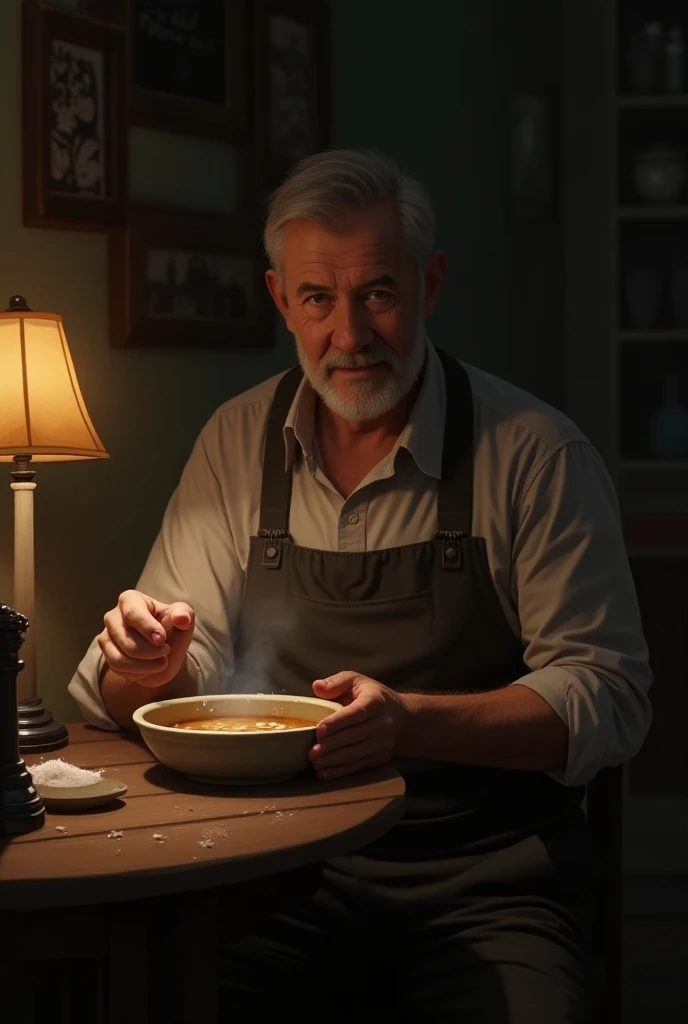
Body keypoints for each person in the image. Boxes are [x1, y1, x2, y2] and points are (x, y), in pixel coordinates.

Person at [69, 148, 652, 1022]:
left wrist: (409, 719)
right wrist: (147, 667)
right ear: (280, 300)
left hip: (486, 884)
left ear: (431, 283)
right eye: (317, 299)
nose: (349, 334)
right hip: (274, 875)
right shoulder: (236, 443)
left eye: (377, 292)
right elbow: (151, 689)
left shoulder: (536, 455)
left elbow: (608, 693)